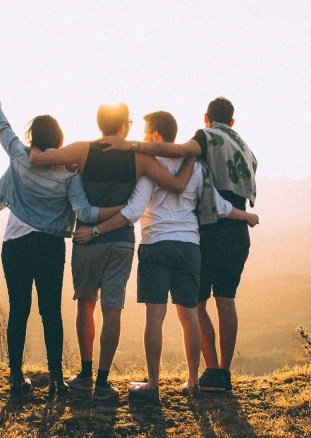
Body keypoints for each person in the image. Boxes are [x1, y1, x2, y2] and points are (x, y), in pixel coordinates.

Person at [73, 111, 258, 400]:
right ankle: (194, 382)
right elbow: (218, 205)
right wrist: (245, 215)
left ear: (157, 135)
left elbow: (133, 212)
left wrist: (95, 230)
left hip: (156, 245)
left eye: (147, 133)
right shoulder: (194, 166)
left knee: (155, 317)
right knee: (189, 316)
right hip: (190, 247)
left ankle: (153, 385)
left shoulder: (150, 167)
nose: (144, 137)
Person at [0, 61, 124, 399]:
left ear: (33, 137)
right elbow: (84, 211)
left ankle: (16, 378)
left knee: (19, 309)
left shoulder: (21, 157)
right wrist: (123, 210)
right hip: (50, 246)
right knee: (50, 312)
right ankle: (56, 380)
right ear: (59, 138)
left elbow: (1, 126)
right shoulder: (68, 173)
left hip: (15, 243)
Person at [29, 105, 195, 400]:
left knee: (85, 303)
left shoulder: (82, 150)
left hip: (86, 240)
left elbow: (40, 158)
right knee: (112, 308)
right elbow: (177, 185)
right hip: (121, 241)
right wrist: (192, 155)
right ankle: (104, 383)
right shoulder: (139, 158)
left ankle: (85, 375)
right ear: (124, 128)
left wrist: (33, 146)